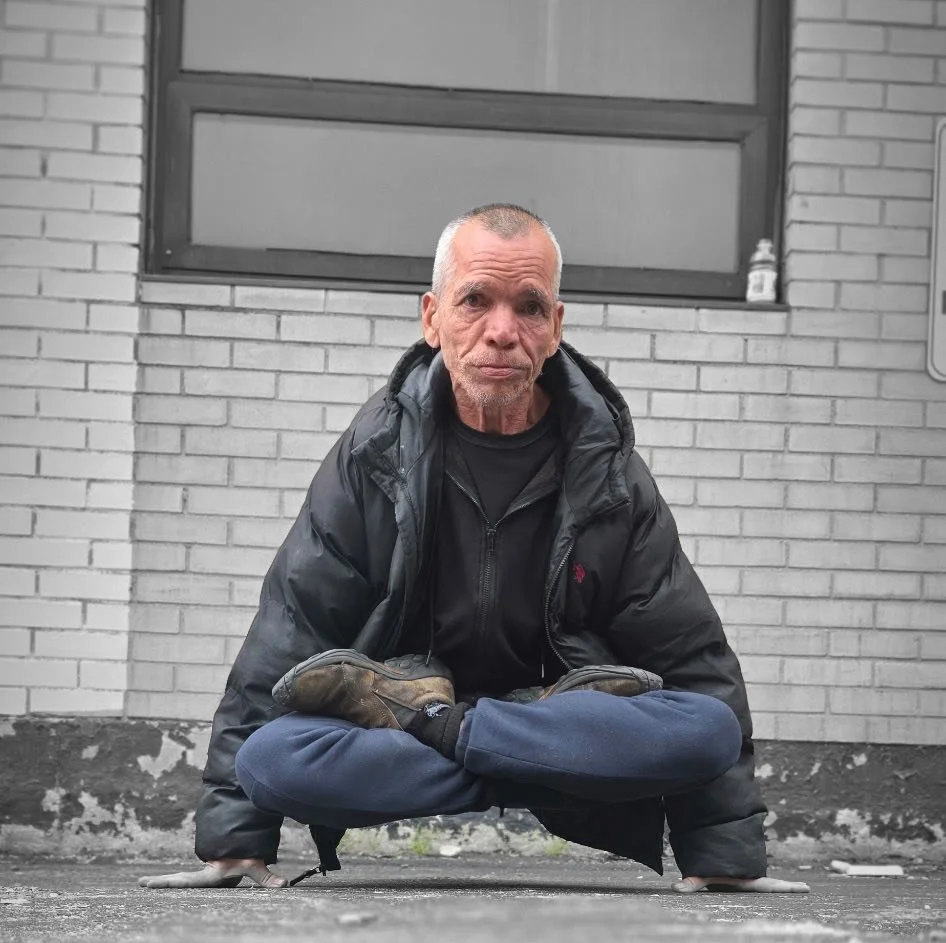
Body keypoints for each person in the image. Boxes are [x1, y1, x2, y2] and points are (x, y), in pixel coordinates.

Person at [145, 204, 806, 894]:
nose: (501, 331)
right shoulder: (374, 460)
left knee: (705, 729)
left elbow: (691, 658)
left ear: (555, 328)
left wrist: (721, 853)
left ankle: (452, 726)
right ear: (432, 319)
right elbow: (288, 632)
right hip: (482, 735)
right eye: (475, 301)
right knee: (273, 757)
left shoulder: (607, 473)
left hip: (528, 715)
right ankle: (480, 735)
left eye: (528, 307)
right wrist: (234, 840)